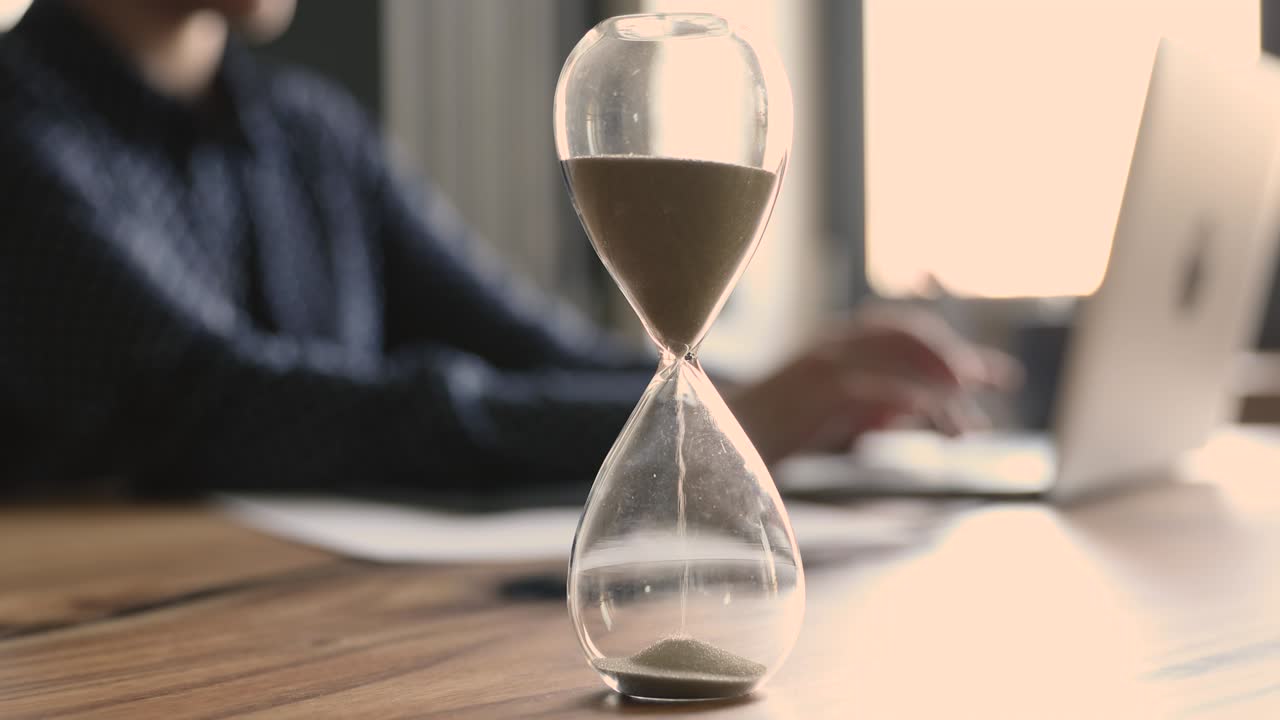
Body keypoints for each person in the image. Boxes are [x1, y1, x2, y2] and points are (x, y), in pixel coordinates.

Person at [0, 0, 1017, 498]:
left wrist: (771, 396)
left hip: (340, 621)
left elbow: (527, 341)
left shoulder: (311, 133)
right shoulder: (19, 129)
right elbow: (213, 403)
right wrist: (724, 424)